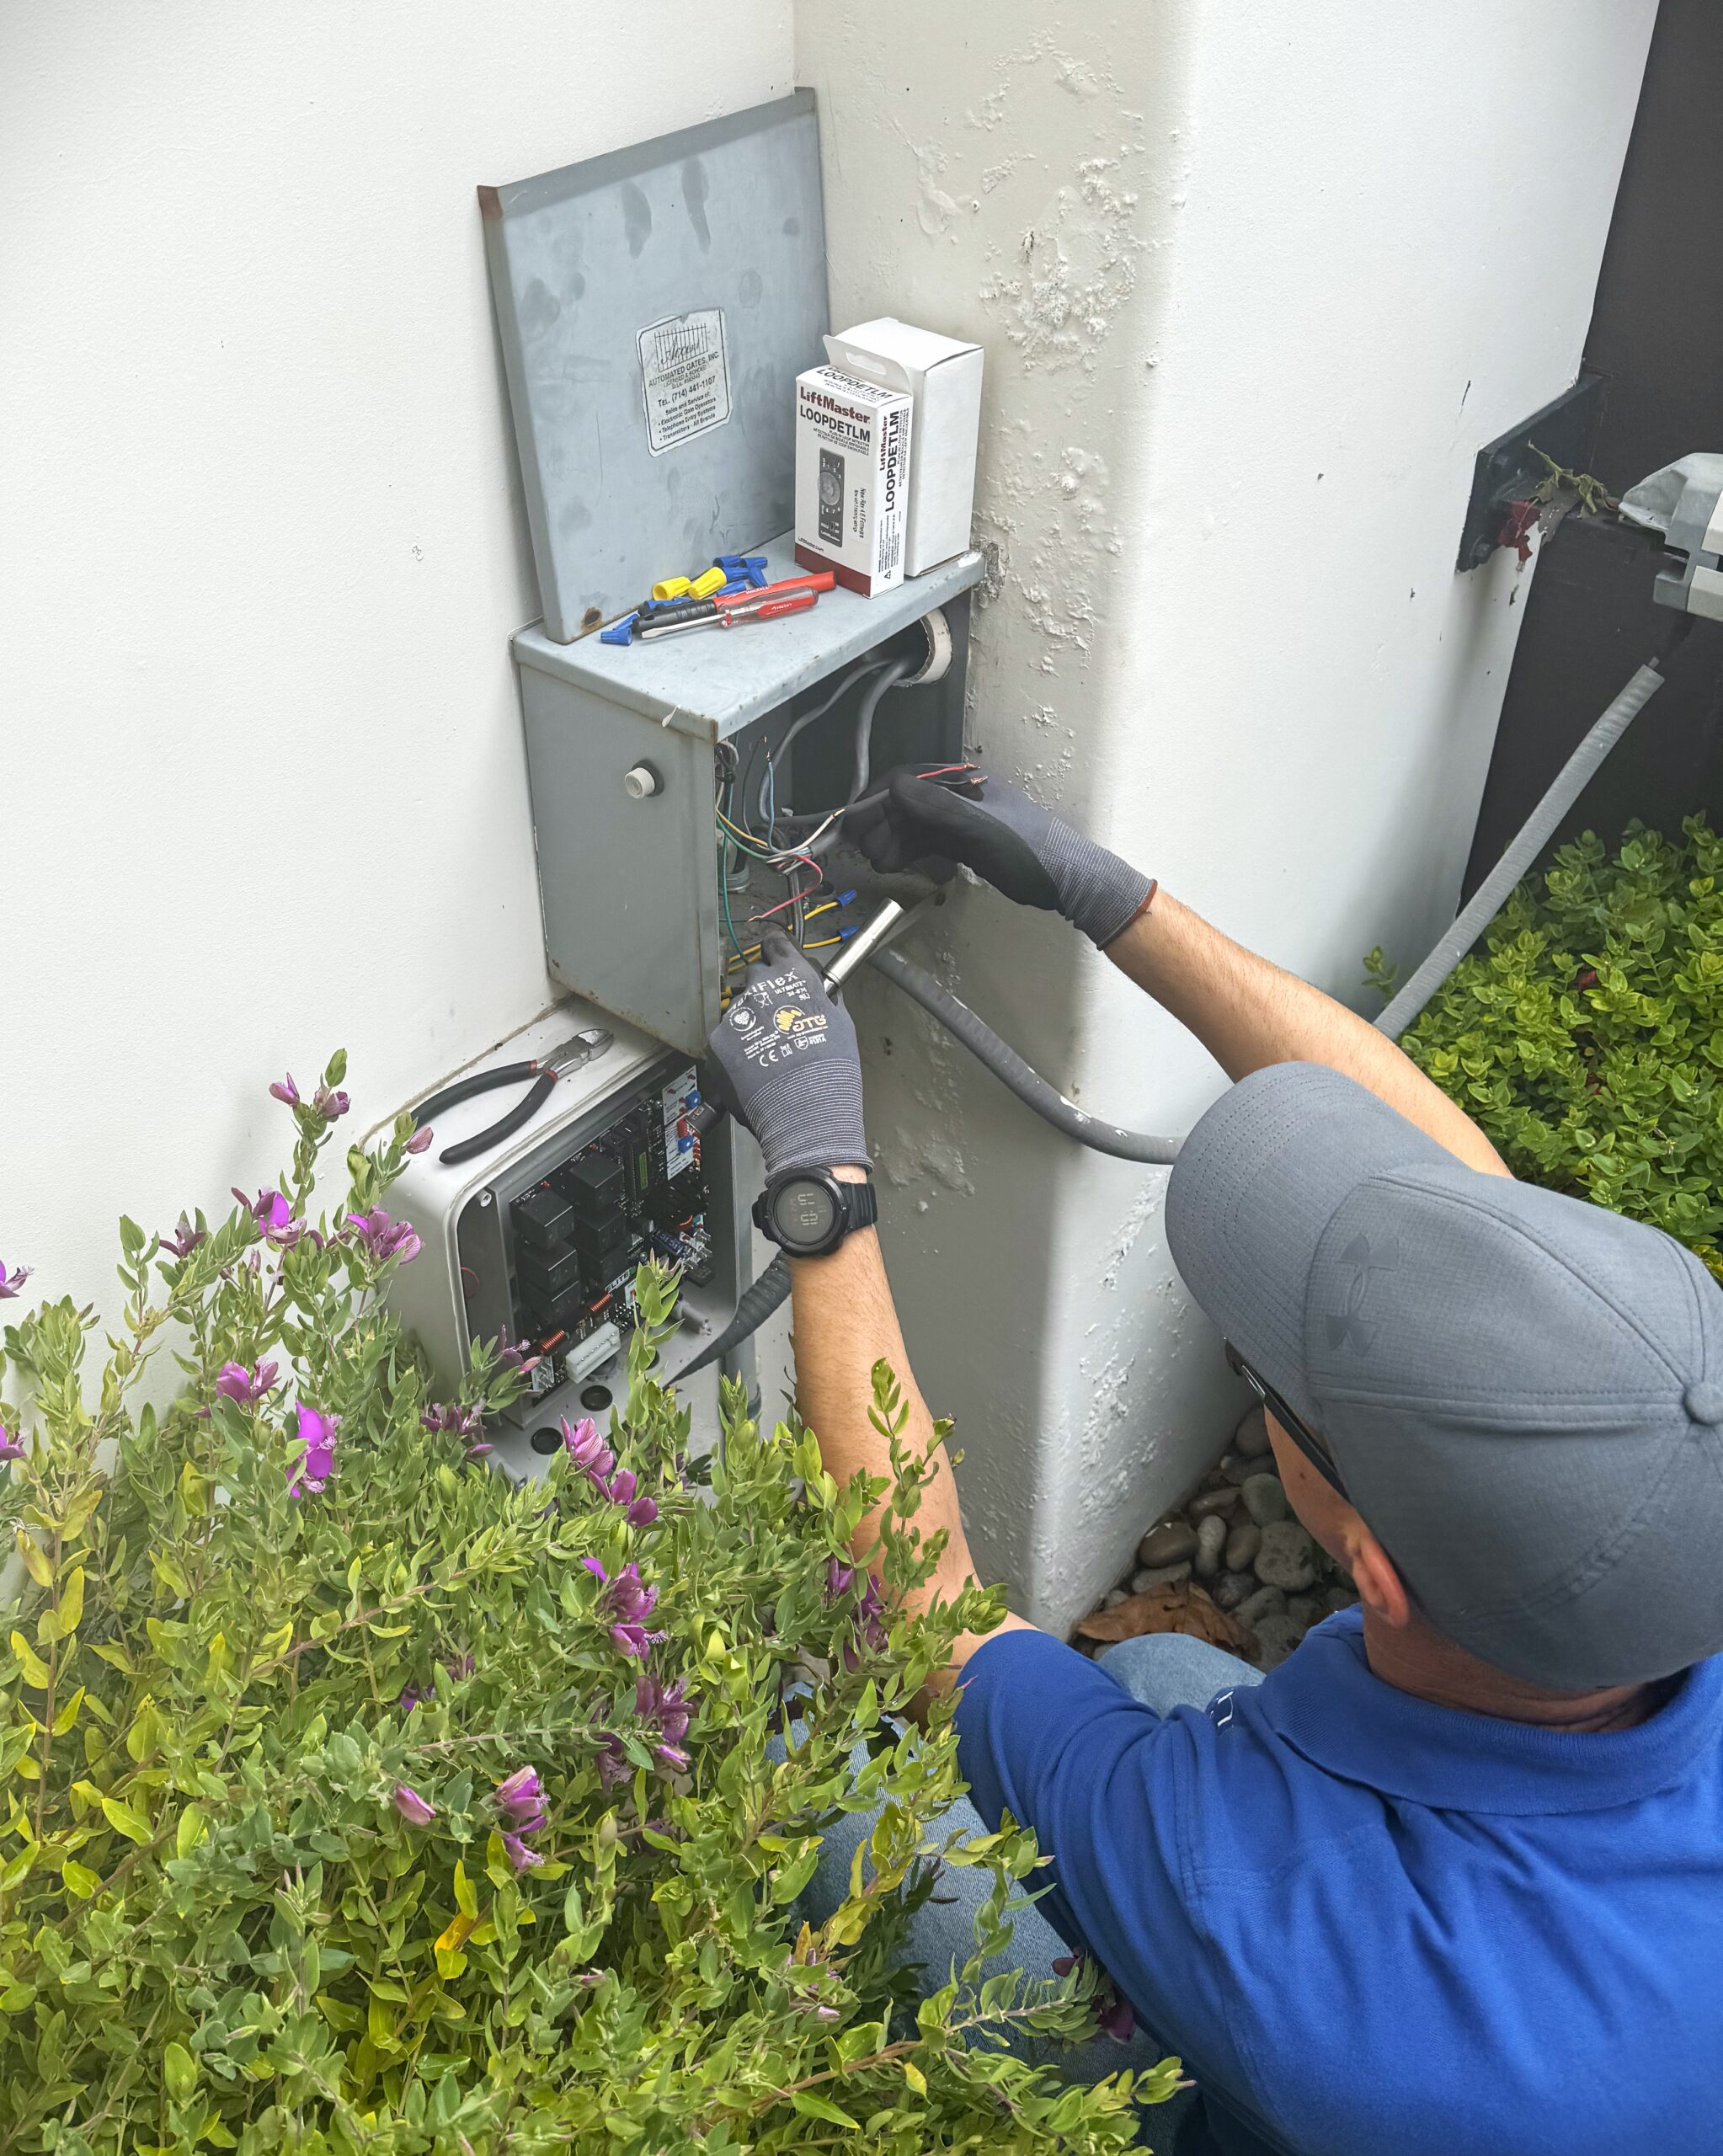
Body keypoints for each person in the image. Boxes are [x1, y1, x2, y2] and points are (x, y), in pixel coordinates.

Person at [704, 767, 1723, 2156]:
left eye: (1273, 1384)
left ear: (1372, 1566)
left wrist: (818, 1179)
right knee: (1158, 1678)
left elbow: (926, 1598)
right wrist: (1101, 896)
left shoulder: (1275, 1916)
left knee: (843, 1828)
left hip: (1307, 2073)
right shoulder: (1660, 1498)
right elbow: (1460, 1197)